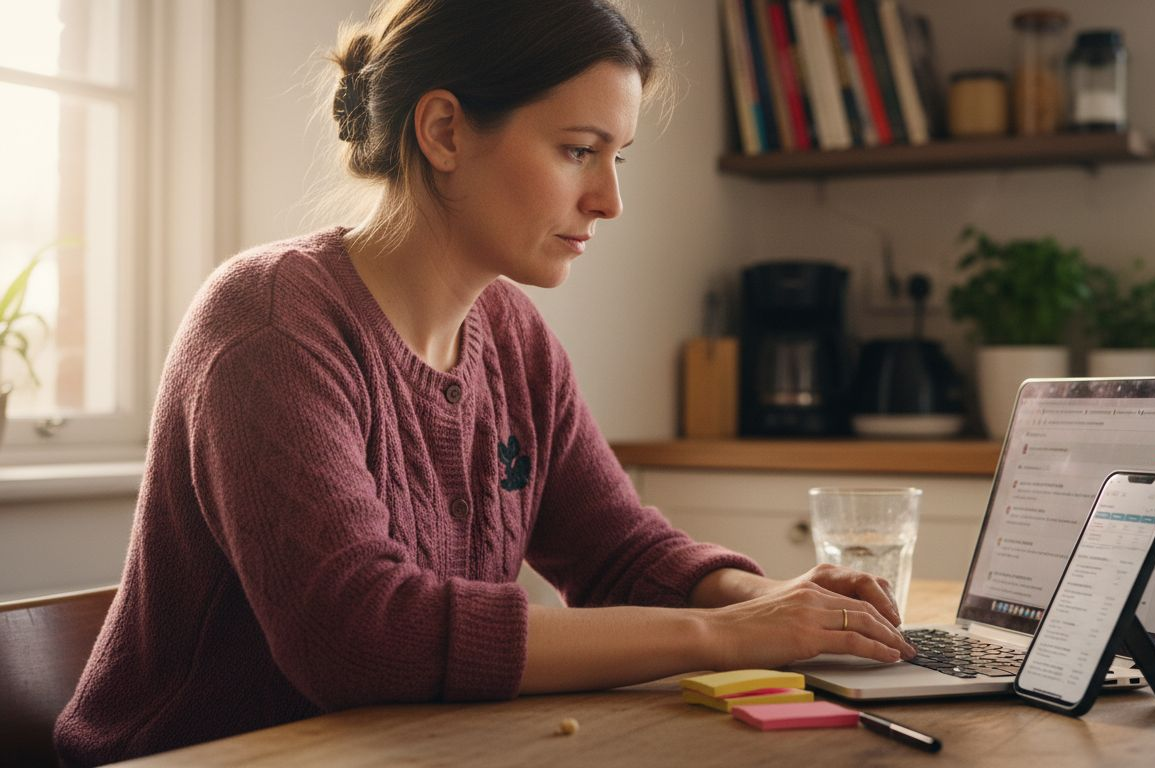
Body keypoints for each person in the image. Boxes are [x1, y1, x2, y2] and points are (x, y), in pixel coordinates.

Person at [54, 1, 915, 763]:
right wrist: (721, 634)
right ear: (444, 132)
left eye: (618, 157)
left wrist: (780, 603)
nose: (609, 199)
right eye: (579, 151)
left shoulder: (509, 334)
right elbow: (361, 638)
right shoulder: (270, 323)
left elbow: (617, 549)